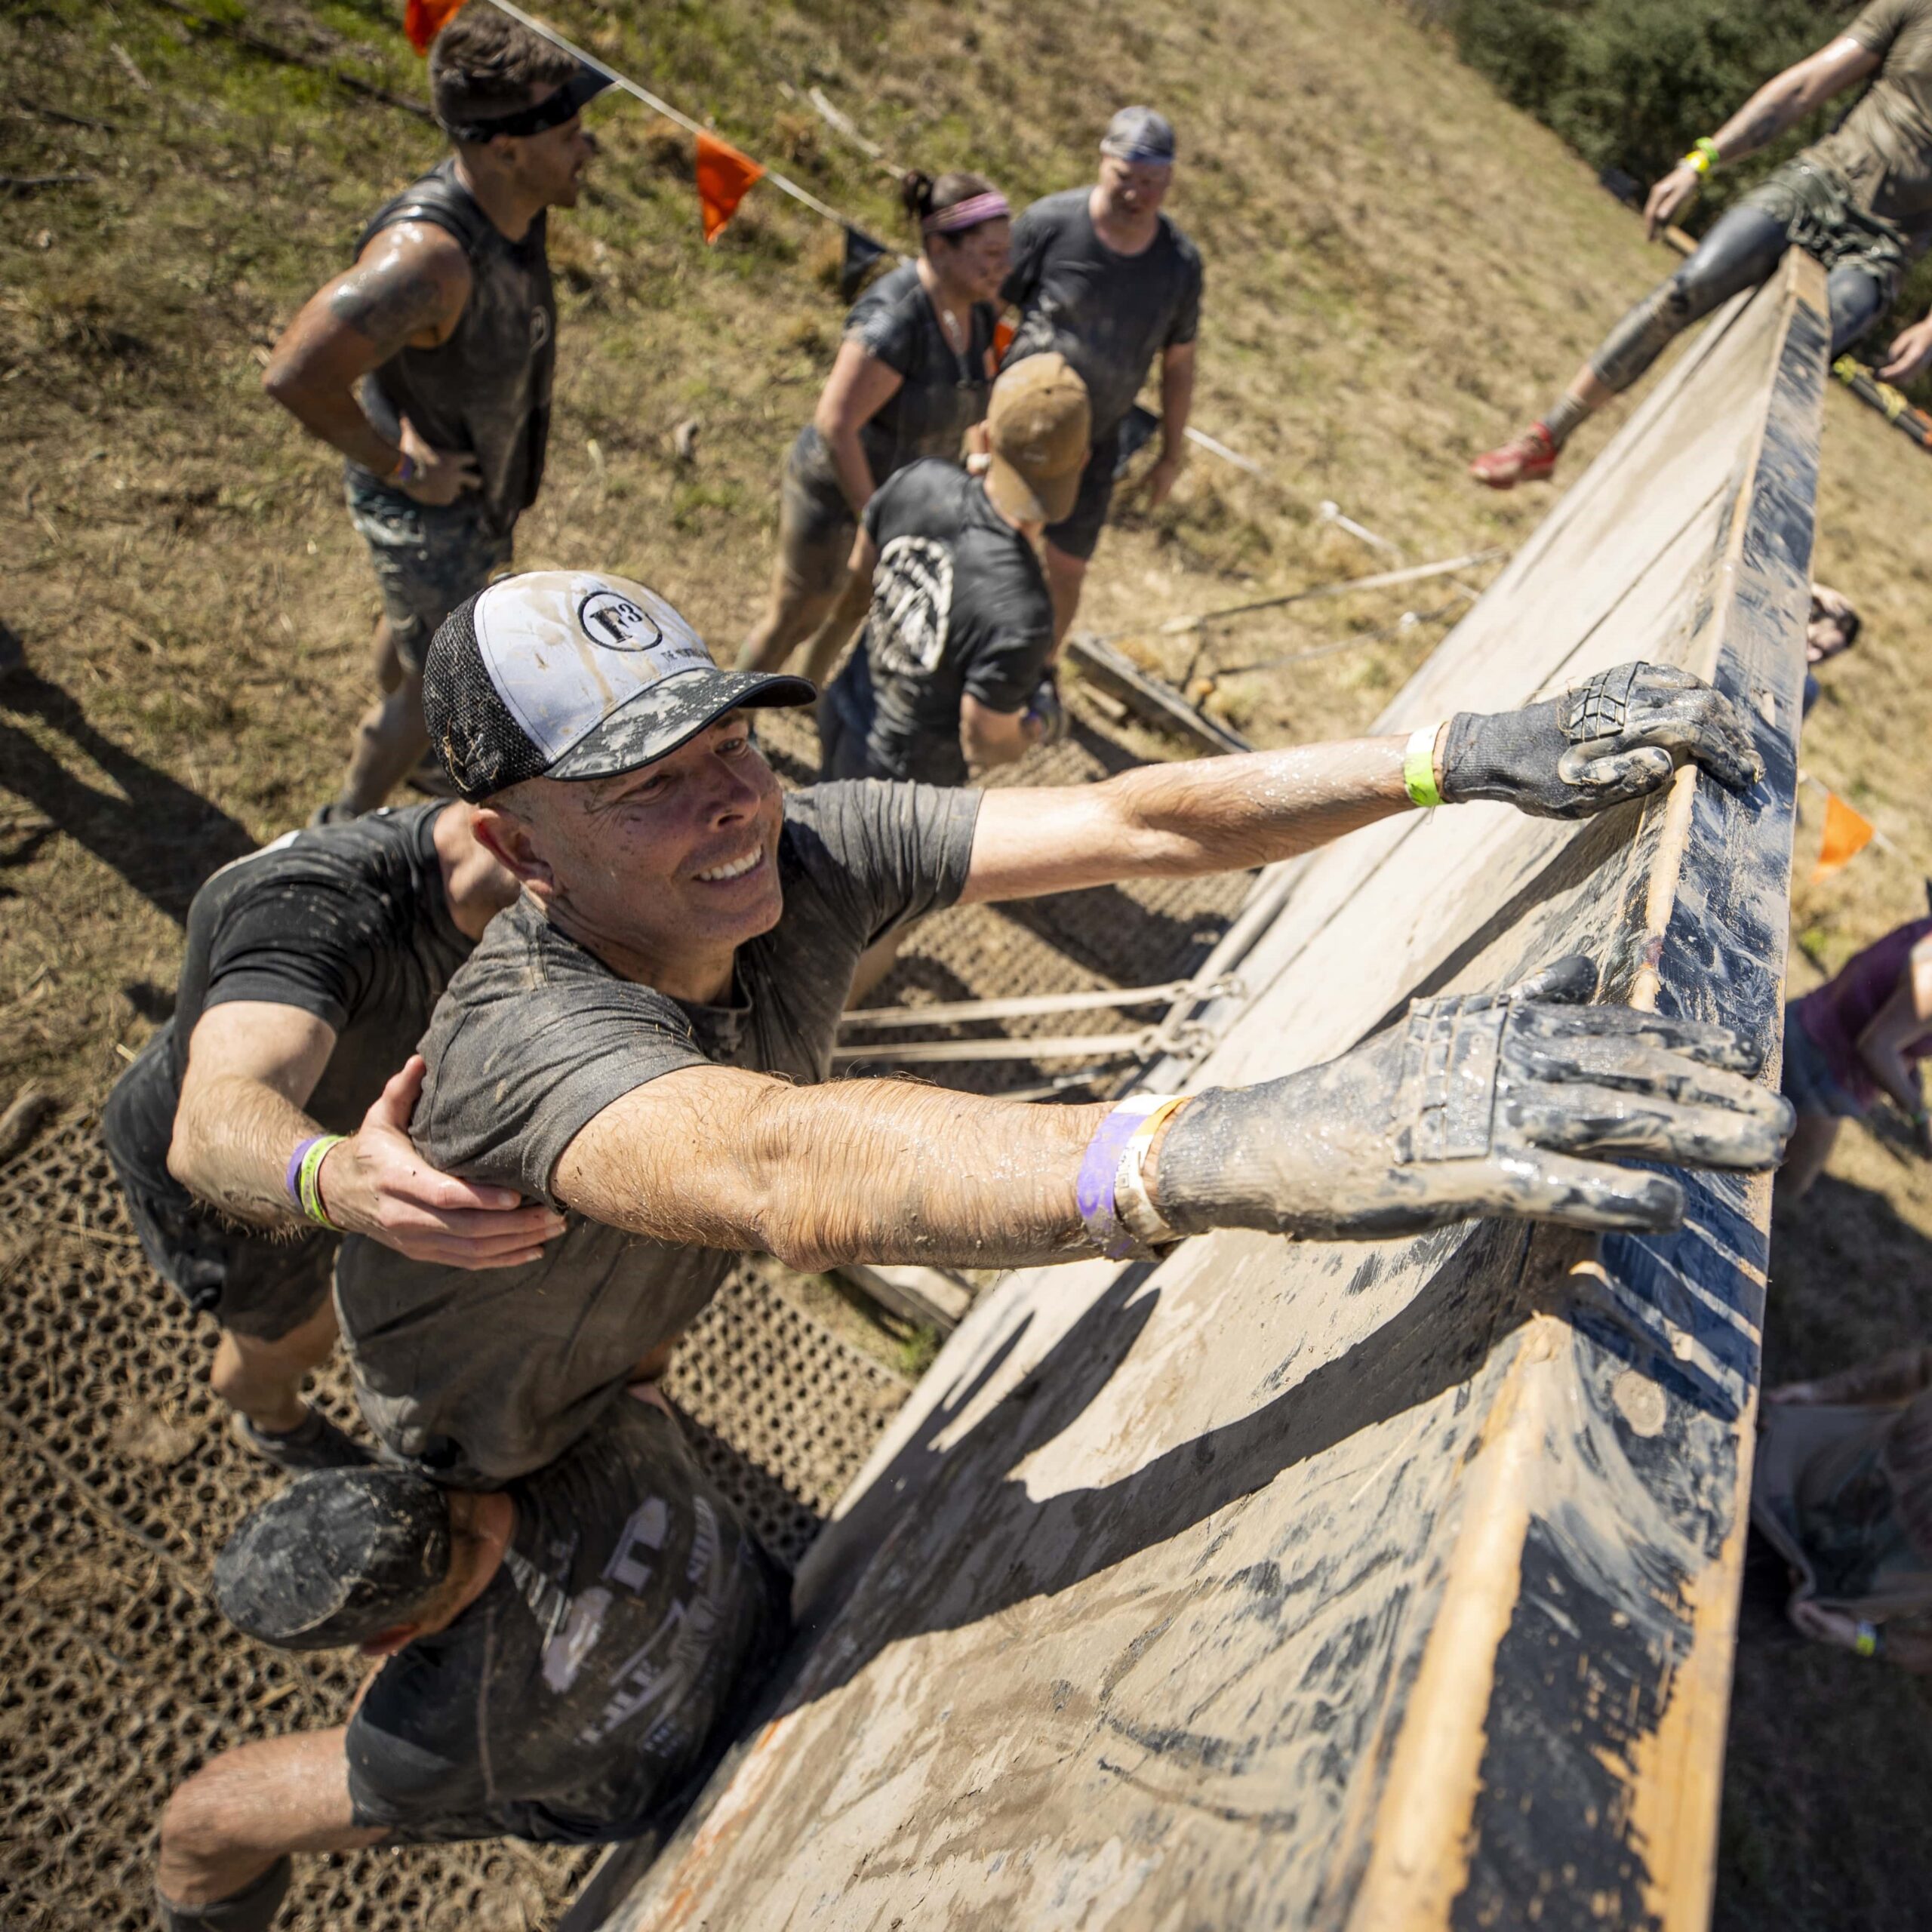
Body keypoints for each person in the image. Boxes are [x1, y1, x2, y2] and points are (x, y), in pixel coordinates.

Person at [325, 571, 1789, 1494]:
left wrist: (1451, 756)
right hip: (465, 1391)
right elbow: (777, 1165)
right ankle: (297, 1419)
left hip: (627, 1325)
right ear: (520, 853)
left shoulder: (810, 848)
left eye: (732, 742)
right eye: (646, 781)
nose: (732, 800)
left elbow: (1130, 816)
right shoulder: (521, 1035)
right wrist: (1231, 1143)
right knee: (491, 1557)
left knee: (629, 1399)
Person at [151, 1382, 786, 1932]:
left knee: (203, 1821)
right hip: (764, 1618)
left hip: (657, 1792)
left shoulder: (427, 1732)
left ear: (388, 1641)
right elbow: (645, 1368)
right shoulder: (596, 1420)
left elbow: (219, 1818)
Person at [101, 801, 560, 1470]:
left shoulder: (524, 886)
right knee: (296, 1338)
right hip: (235, 1187)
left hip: (347, 1150)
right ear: (518, 840)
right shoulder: (316, 904)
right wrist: (338, 1183)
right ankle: (269, 1418)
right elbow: (209, 1128)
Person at [262, 6, 607, 818]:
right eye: (571, 134)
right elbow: (295, 373)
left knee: (424, 640)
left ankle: (412, 753)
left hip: (473, 501)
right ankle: (340, 832)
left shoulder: (517, 206)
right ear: (506, 147)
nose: (590, 147)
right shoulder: (427, 259)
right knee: (433, 690)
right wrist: (403, 466)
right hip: (429, 509)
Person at [1472, 0, 1932, 489]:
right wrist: (1701, 161)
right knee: (1688, 286)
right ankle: (1546, 438)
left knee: (1792, 357)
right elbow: (1803, 87)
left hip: (1883, 245)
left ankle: (1659, 484)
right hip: (1820, 183)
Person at [736, 171, 1012, 678]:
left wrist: (979, 454)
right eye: (990, 253)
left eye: (1005, 251)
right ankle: (730, 724)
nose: (1003, 266)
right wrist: (873, 518)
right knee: (796, 616)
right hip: (841, 497)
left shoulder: (974, 312)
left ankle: (811, 692)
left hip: (898, 504)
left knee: (856, 605)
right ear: (939, 247)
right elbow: (835, 423)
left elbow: (977, 392)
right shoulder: (897, 320)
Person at [817, 353, 1087, 786]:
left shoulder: (918, 481)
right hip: (903, 789)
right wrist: (1037, 726)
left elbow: (861, 573)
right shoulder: (1025, 616)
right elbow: (985, 742)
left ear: (987, 432)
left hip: (848, 708)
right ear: (1082, 461)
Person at [1000, 106, 1202, 645]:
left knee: (1067, 568)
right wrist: (980, 414)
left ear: (1169, 180)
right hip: (1023, 423)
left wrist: (1170, 454)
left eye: (1150, 183)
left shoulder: (1178, 265)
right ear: (1102, 164)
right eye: (1125, 179)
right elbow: (984, 311)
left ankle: (1041, 667)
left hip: (1098, 439)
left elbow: (1178, 362)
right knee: (1001, 543)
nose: (1135, 194)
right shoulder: (1050, 223)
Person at [1753, 1345, 1932, 1672]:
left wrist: (1861, 1637)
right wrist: (1822, 1393)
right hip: (1762, 1464)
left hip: (1794, 1595)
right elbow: (1920, 1367)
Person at [1777, 910, 1932, 1195]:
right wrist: (1920, 1115)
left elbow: (1903, 1031)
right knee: (1782, 1188)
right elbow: (1877, 1047)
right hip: (1818, 1069)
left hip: (1808, 1032)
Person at [1804, 582, 1862, 715]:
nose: (1813, 656)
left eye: (1825, 656)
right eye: (1815, 644)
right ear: (1809, 619)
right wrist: (1809, 590)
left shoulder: (1806, 690)